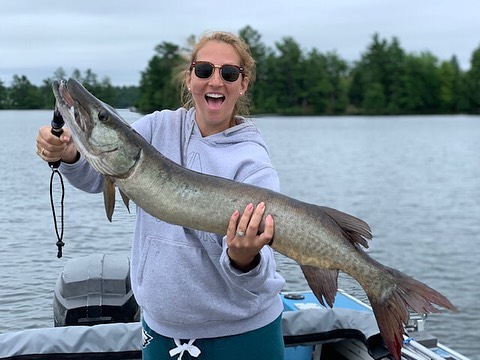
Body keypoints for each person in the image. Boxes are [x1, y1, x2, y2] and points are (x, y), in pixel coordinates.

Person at [36, 31, 286, 359]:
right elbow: (101, 176)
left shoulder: (252, 163)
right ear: (189, 78)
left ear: (243, 84)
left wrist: (244, 258)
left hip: (242, 337)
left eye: (228, 73)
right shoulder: (156, 129)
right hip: (160, 335)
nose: (215, 81)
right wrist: (69, 153)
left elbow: (257, 275)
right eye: (204, 70)